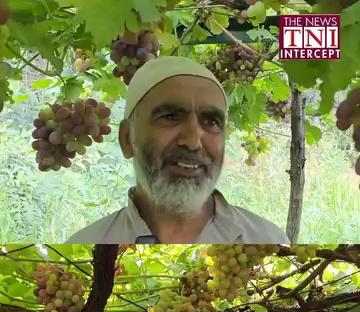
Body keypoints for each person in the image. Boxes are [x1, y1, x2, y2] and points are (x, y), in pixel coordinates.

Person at [67, 56, 289, 244]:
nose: (193, 142)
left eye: (211, 122)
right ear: (127, 139)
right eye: (170, 117)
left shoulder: (268, 240)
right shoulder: (90, 243)